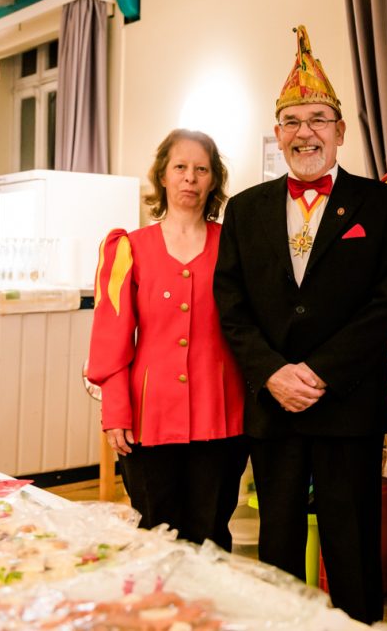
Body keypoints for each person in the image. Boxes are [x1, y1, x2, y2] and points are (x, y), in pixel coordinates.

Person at [213, 26, 387, 624]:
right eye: (293, 121)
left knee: (353, 545)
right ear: (278, 134)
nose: (306, 132)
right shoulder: (244, 209)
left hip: (347, 403)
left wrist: (321, 372)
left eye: (319, 119)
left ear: (340, 131)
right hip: (274, 405)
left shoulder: (380, 204)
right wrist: (272, 373)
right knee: (277, 544)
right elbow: (231, 304)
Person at [86, 129, 247, 550]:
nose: (190, 178)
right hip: (148, 416)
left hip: (221, 412)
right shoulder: (128, 248)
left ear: (213, 180)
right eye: (180, 167)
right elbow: (110, 336)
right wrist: (115, 410)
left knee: (212, 536)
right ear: (162, 175)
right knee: (155, 534)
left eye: (201, 169)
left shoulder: (235, 244)